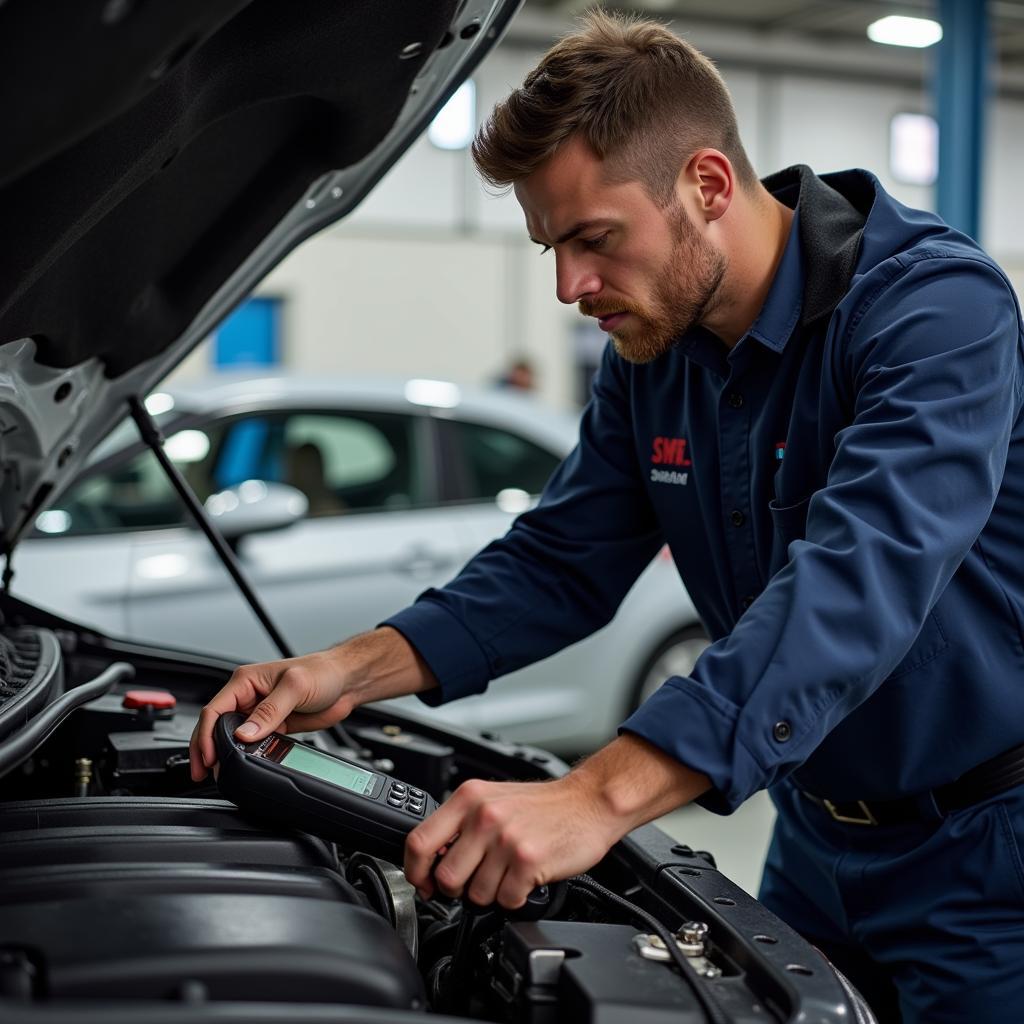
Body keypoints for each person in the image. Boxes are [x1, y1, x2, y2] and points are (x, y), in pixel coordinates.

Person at [189, 11, 1024, 1021]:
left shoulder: (931, 309)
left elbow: (860, 577)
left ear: (707, 185)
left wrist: (595, 798)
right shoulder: (654, 351)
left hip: (986, 855)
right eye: (550, 246)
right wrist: (344, 671)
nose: (569, 286)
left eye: (593, 239)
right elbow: (558, 562)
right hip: (813, 834)